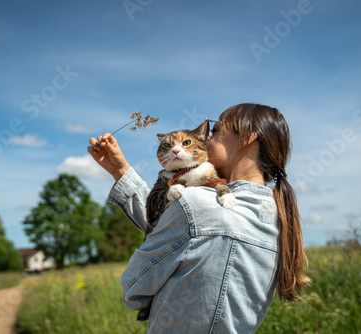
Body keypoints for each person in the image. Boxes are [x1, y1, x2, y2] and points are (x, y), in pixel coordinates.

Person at [87, 103, 309, 333]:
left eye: (215, 130)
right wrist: (120, 171)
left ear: (247, 138)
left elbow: (133, 289)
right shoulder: (278, 215)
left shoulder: (196, 205)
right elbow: (182, 233)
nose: (205, 138)